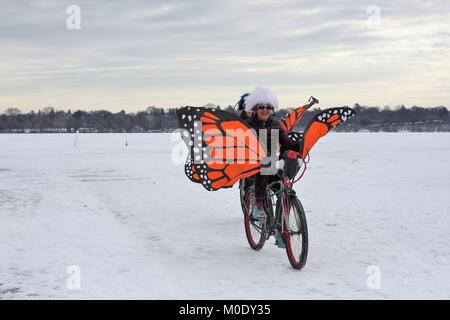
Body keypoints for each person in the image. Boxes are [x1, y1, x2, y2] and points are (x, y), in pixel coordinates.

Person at [244, 87, 300, 248]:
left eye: (268, 107)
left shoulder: (276, 124)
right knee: (267, 162)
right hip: (252, 165)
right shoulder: (247, 125)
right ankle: (258, 204)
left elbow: (286, 142)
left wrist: (298, 147)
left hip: (271, 165)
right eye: (262, 106)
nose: (265, 110)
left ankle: (280, 229)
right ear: (255, 108)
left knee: (283, 188)